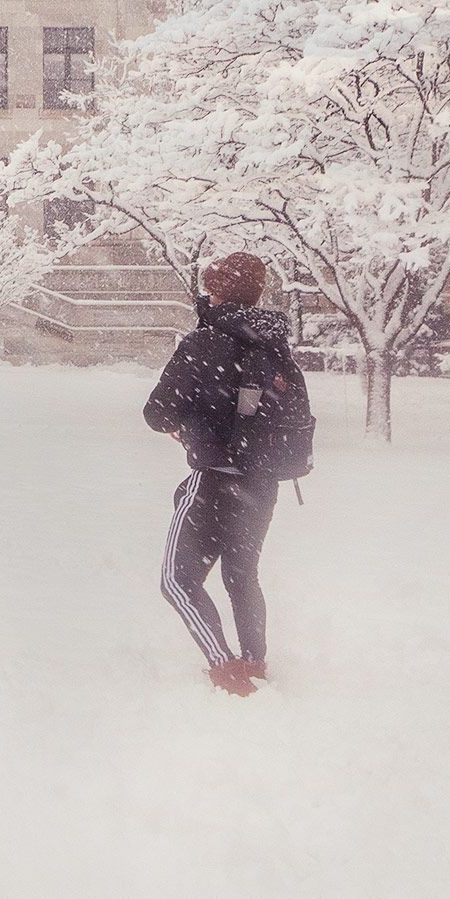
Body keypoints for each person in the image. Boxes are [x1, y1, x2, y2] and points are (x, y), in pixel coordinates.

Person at [143, 251, 309, 696]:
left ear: (214, 291)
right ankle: (254, 661)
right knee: (241, 574)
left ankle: (225, 669)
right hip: (263, 483)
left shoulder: (204, 343)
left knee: (178, 581)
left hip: (213, 480)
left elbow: (157, 412)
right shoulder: (274, 344)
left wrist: (187, 427)